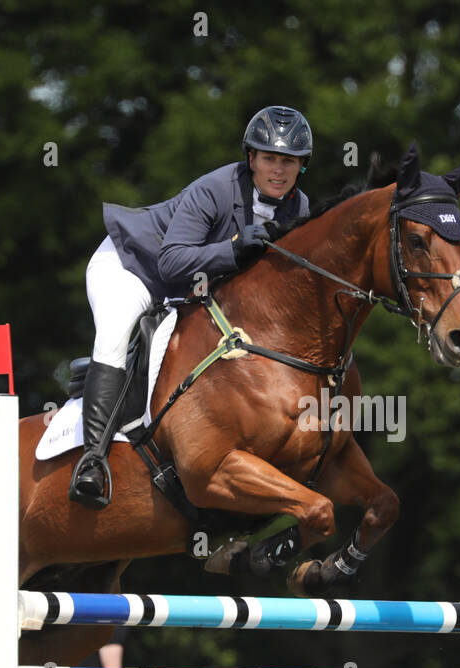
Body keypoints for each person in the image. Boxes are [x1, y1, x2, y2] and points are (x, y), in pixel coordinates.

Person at [70, 105, 314, 508]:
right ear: (251, 158)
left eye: (288, 161)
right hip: (133, 266)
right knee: (113, 339)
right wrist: (234, 249)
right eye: (269, 158)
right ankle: (92, 463)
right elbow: (170, 262)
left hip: (187, 290)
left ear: (301, 166)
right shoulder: (216, 189)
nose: (278, 170)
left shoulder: (299, 209)